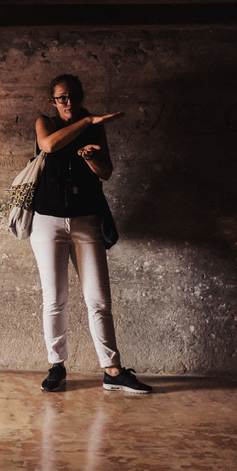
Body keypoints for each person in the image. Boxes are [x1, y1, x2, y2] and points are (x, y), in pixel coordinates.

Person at [31, 74, 152, 394]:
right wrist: (88, 121)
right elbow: (48, 145)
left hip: (86, 221)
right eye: (61, 97)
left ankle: (112, 370)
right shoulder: (46, 122)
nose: (66, 101)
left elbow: (106, 172)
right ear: (53, 102)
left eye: (71, 95)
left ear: (81, 95)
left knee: (98, 299)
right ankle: (56, 365)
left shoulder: (95, 126)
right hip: (48, 221)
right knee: (54, 299)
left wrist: (91, 157)